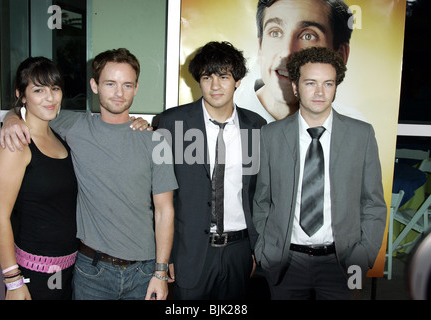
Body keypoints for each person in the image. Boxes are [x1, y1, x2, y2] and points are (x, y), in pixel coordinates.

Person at [0, 48, 178, 300]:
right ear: (94, 85)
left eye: (127, 85)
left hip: (144, 271)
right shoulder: (74, 126)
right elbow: (34, 112)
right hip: (90, 272)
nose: (119, 93)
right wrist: (12, 117)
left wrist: (160, 273)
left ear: (136, 88)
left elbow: (165, 211)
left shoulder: (156, 141)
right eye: (110, 83)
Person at [253, 46, 386, 299]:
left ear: (336, 86)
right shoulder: (271, 135)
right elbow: (262, 201)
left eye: (328, 83)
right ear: (295, 86)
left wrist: (363, 255)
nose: (319, 92)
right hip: (284, 262)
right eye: (310, 82)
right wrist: (265, 251)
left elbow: (373, 204)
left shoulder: (362, 135)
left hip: (346, 262)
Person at [156, 41, 266, 299]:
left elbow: (259, 194)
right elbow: (161, 196)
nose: (215, 86)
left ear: (237, 80)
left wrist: (254, 249)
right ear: (198, 80)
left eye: (224, 76)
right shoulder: (172, 123)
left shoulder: (256, 127)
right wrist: (167, 256)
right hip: (189, 249)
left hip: (239, 250)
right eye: (207, 77)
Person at [0, 57, 78, 300]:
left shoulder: (59, 134)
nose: (50, 98)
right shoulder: (14, 144)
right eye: (38, 90)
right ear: (22, 95)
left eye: (55, 88)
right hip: (33, 274)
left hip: (69, 269)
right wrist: (13, 280)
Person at [235, 0, 365, 123]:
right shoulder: (226, 119)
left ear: (340, 56)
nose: (287, 53)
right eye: (275, 33)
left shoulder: (354, 128)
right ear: (260, 47)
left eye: (308, 36)